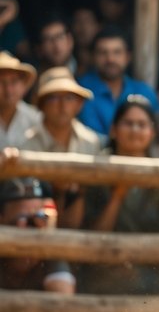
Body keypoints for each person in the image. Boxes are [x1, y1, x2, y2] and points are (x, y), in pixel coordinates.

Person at [81, 97, 159, 294]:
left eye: (142, 124)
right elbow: (95, 235)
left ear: (151, 133)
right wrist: (118, 196)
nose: (135, 130)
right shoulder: (97, 170)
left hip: (155, 267)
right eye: (128, 123)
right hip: (105, 266)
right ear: (114, 130)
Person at [0, 177, 76, 312]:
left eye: (39, 218)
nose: (32, 225)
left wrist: (45, 243)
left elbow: (63, 297)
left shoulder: (48, 251)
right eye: (21, 219)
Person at [18, 69, 101, 229]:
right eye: (54, 98)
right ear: (41, 105)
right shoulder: (26, 143)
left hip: (84, 224)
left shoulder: (91, 142)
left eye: (69, 98)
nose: (62, 106)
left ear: (79, 104)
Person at [77, 27, 159, 136]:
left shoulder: (144, 92)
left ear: (128, 57)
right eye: (103, 52)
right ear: (93, 57)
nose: (110, 59)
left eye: (117, 52)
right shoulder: (80, 90)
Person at [0, 52, 40, 149]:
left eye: (13, 81)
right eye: (1, 82)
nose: (8, 89)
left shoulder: (36, 120)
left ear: (23, 86)